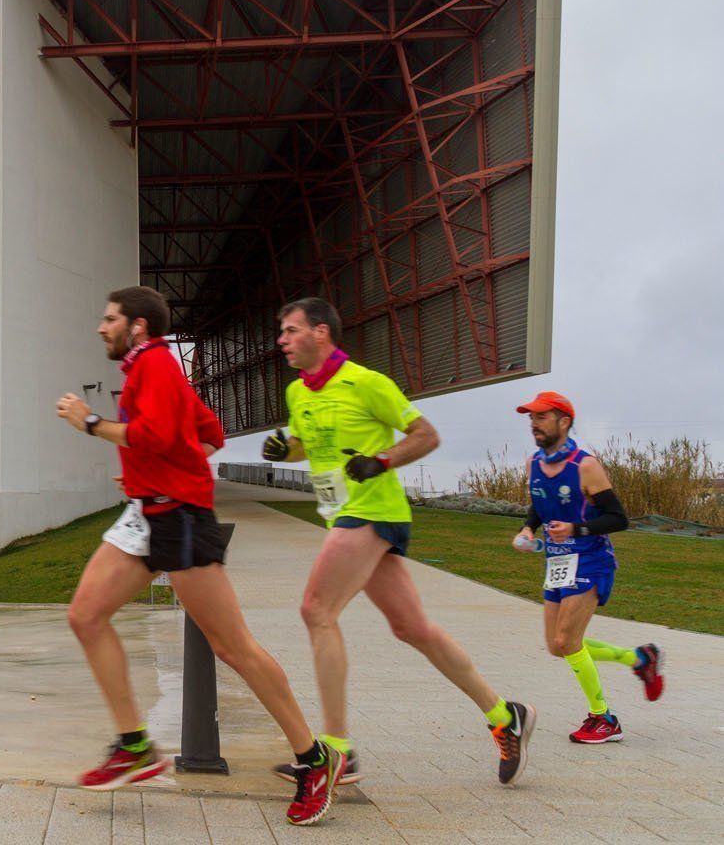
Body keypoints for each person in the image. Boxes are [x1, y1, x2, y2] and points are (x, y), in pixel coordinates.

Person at [57, 286, 345, 827]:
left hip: (181, 520)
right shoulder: (149, 370)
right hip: (147, 514)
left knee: (232, 646)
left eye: (110, 318)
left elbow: (157, 436)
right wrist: (170, 470)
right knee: (86, 616)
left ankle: (314, 759)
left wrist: (90, 423)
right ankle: (133, 745)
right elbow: (208, 434)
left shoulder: (158, 365)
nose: (102, 327)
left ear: (138, 326)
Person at [264, 297, 534, 786]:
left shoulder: (368, 383)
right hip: (341, 514)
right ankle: (503, 713)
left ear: (321, 333)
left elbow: (426, 435)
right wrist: (285, 448)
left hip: (373, 511)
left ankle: (338, 751)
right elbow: (308, 444)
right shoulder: (297, 393)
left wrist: (382, 461)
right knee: (413, 629)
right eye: (281, 332)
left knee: (316, 610)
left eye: (290, 330)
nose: (281, 340)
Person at [511, 391, 664, 743]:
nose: (533, 424)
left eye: (541, 417)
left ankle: (603, 718)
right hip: (558, 561)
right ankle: (639, 659)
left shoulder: (585, 465)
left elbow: (618, 518)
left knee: (567, 640)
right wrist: (527, 528)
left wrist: (576, 529)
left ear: (564, 422)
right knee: (556, 645)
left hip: (592, 559)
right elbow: (539, 504)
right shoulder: (533, 464)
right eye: (531, 418)